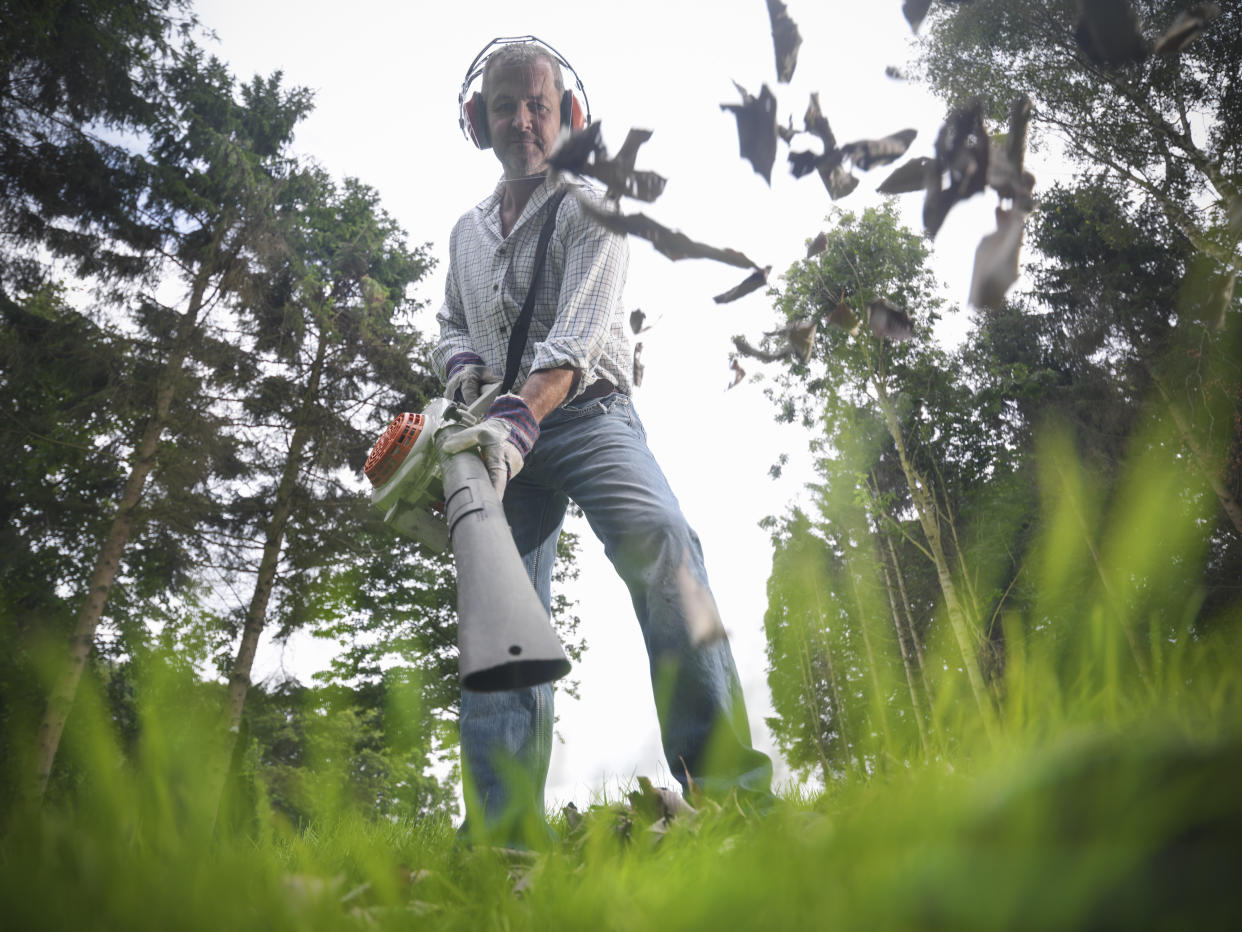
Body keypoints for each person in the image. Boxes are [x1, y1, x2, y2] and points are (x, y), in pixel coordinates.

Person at [434, 37, 773, 848]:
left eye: (538, 105)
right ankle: (502, 841)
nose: (522, 120)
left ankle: (724, 791)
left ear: (568, 116)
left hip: (588, 415)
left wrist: (515, 422)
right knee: (499, 615)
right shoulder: (465, 234)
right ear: (476, 121)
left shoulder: (594, 206)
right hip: (494, 434)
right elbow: (450, 320)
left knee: (663, 540)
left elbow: (575, 345)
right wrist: (463, 369)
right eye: (505, 105)